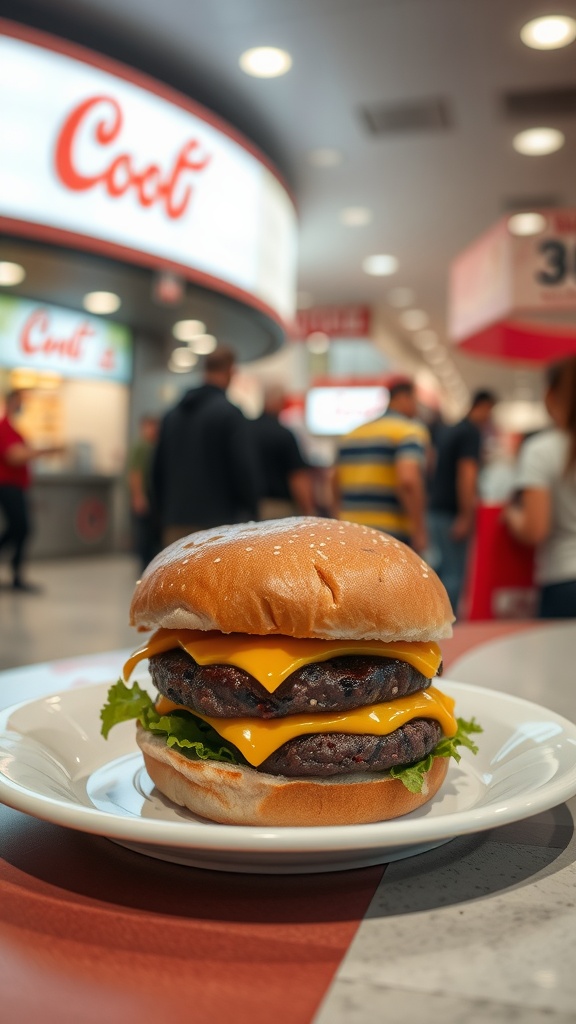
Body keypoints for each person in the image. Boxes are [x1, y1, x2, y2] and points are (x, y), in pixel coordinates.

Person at [152, 346, 261, 545]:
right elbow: (243, 469)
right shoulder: (230, 414)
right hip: (219, 527)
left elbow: (156, 471)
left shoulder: (171, 415)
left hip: (175, 524)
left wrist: (163, 515)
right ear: (230, 372)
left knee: (175, 576)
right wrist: (252, 510)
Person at [504, 358, 576, 618]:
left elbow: (535, 529)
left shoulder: (541, 450)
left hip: (564, 582)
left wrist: (512, 516)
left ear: (550, 395)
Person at [333, 377, 429, 551]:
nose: (417, 407)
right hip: (390, 534)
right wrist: (419, 530)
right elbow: (408, 480)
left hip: (349, 530)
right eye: (415, 400)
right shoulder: (408, 431)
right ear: (403, 398)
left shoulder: (352, 434)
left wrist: (339, 516)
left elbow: (333, 481)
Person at [428, 389, 497, 613]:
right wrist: (466, 515)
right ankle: (445, 629)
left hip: (436, 509)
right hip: (452, 512)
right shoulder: (471, 433)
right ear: (484, 406)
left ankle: (431, 618)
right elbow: (467, 474)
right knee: (455, 575)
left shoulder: (451, 430)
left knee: (442, 569)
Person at [0, 390, 63, 591]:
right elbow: (13, 456)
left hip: (16, 486)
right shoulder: (5, 428)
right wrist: (44, 451)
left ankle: (17, 574)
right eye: (20, 402)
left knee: (19, 528)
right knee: (21, 528)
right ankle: (17, 575)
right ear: (11, 402)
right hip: (7, 486)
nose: (22, 406)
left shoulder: (15, 430)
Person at [251, 385, 315, 520]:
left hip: (248, 508)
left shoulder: (245, 430)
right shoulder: (283, 434)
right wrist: (308, 510)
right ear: (280, 402)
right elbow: (297, 477)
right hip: (279, 509)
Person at [127, 414, 160, 572]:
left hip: (151, 496)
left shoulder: (154, 446)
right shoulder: (141, 447)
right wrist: (138, 496)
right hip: (144, 496)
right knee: (144, 534)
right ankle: (144, 567)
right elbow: (135, 473)